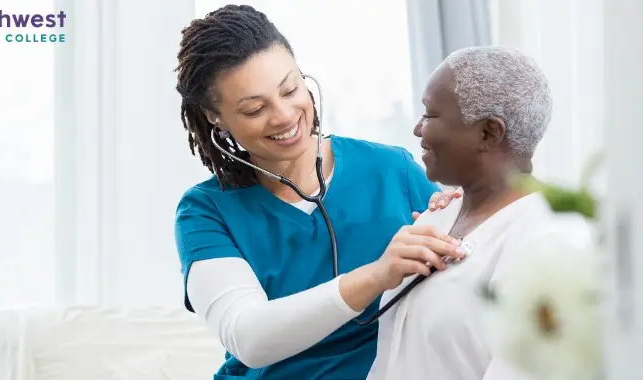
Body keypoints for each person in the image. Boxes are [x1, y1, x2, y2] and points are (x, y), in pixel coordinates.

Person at [173, 5, 463, 379]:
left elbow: (465, 284)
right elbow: (249, 338)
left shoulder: (392, 170)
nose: (284, 115)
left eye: (290, 89)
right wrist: (378, 274)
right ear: (216, 118)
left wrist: (461, 220)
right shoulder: (206, 211)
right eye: (255, 109)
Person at [366, 46, 595, 380]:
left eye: (430, 114)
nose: (417, 129)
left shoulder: (547, 241)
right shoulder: (437, 216)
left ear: (489, 132)